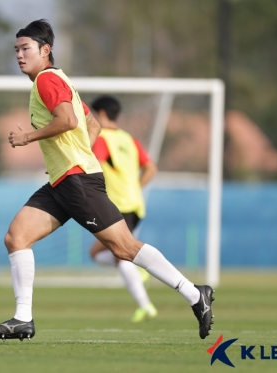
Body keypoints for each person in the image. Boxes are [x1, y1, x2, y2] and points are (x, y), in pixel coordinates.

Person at [0, 19, 214, 342]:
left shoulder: (47, 80)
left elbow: (68, 120)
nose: (19, 55)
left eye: (25, 49)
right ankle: (23, 319)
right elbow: (91, 125)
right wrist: (73, 154)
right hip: (65, 180)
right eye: (16, 50)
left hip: (78, 182)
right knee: (16, 236)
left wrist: (29, 138)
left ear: (45, 51)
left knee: (124, 248)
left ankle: (194, 294)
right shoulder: (57, 80)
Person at [88, 95, 158, 323]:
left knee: (121, 255)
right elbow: (150, 168)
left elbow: (94, 164)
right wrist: (135, 188)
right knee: (96, 253)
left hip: (118, 206)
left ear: (101, 114)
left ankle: (146, 305)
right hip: (135, 204)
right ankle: (138, 271)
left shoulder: (102, 138)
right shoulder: (130, 140)